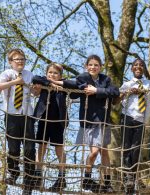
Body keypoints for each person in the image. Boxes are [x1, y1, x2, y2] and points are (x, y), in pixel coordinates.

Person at [50, 55, 120, 193]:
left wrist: (96, 90)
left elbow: (115, 91)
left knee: (104, 152)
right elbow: (72, 84)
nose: (93, 67)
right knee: (94, 152)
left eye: (96, 65)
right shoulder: (83, 77)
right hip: (89, 121)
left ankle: (107, 182)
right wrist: (54, 82)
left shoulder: (105, 79)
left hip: (103, 120)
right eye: (91, 65)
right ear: (86, 66)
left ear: (101, 67)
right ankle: (87, 177)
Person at [118, 58, 150, 193]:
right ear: (132, 68)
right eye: (135, 65)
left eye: (141, 65)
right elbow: (115, 101)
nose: (138, 67)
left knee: (136, 150)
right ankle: (127, 178)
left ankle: (131, 180)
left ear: (144, 69)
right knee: (126, 149)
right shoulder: (127, 84)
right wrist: (127, 92)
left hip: (141, 120)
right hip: (127, 117)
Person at [0, 49, 35, 195]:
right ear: (11, 62)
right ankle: (13, 173)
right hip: (11, 115)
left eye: (22, 59)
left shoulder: (29, 74)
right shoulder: (6, 73)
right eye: (17, 59)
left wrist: (36, 89)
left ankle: (29, 181)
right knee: (13, 148)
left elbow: (34, 92)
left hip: (27, 115)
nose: (20, 61)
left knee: (30, 149)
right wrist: (15, 82)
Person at [32, 63, 68, 192]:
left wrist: (56, 84)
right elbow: (35, 78)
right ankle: (37, 174)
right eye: (50, 73)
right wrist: (49, 83)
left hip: (57, 121)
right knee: (41, 147)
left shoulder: (64, 84)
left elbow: (74, 84)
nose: (52, 75)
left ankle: (61, 177)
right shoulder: (43, 81)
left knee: (59, 149)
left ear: (60, 75)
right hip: (43, 119)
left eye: (55, 73)